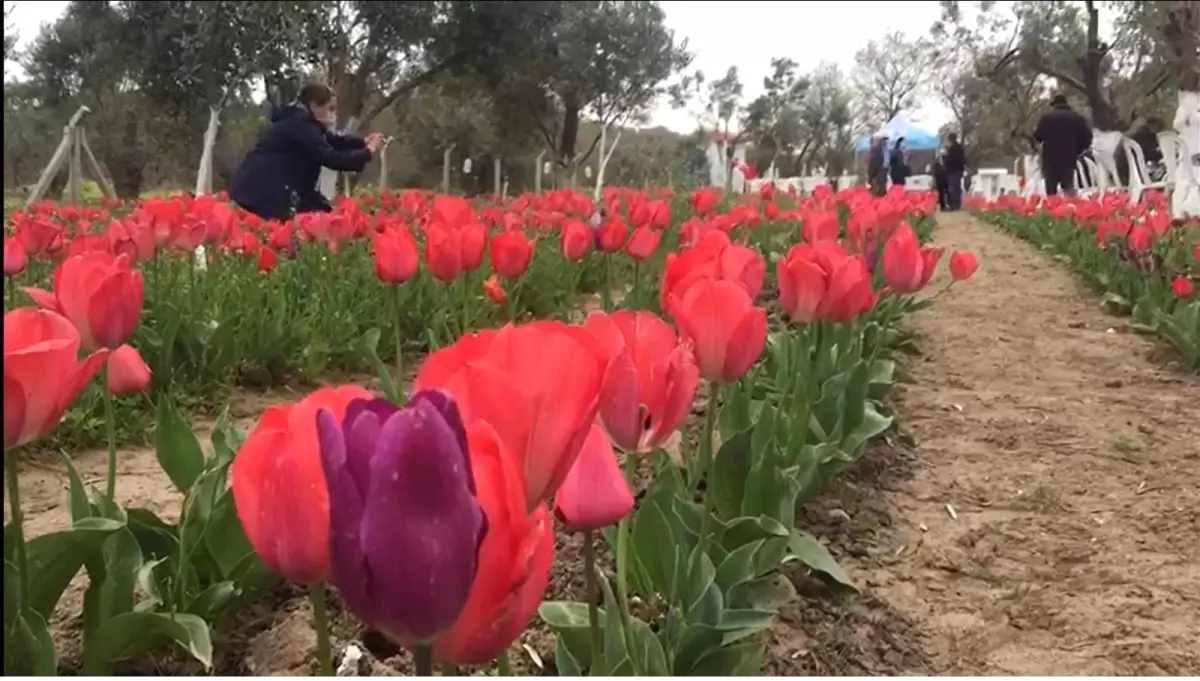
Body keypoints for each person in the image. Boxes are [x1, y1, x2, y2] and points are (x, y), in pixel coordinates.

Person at [230, 82, 383, 222]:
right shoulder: (301, 126)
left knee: (324, 219)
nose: (332, 114)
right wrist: (368, 152)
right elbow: (331, 157)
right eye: (330, 108)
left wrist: (363, 142)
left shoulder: (301, 122)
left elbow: (333, 141)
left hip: (274, 187)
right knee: (310, 226)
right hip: (266, 190)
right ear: (314, 106)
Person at [1032, 94, 1093, 196]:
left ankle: (1051, 209)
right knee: (1068, 189)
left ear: (1054, 105)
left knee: (1051, 192)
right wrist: (1077, 150)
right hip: (1069, 158)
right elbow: (1087, 138)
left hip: (1050, 160)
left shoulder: (1047, 118)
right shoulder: (1078, 118)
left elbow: (1038, 136)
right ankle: (1068, 210)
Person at [943, 132, 968, 210]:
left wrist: (945, 158)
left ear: (950, 139)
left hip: (952, 171)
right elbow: (963, 159)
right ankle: (957, 204)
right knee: (957, 188)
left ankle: (954, 205)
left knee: (952, 188)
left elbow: (951, 160)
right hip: (959, 170)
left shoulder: (952, 149)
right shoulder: (960, 147)